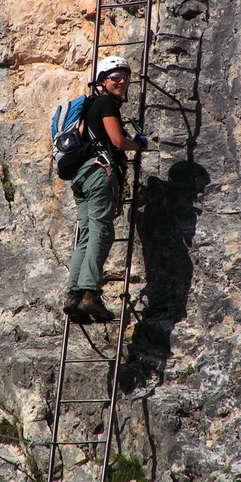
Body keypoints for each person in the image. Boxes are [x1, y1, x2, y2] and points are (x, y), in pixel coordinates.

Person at [63, 56, 148, 322]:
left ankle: (73, 295)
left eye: (124, 76)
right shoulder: (104, 103)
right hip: (99, 173)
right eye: (115, 77)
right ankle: (90, 294)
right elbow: (118, 141)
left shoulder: (88, 107)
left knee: (86, 234)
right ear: (102, 81)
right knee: (101, 230)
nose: (122, 81)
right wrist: (139, 144)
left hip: (81, 175)